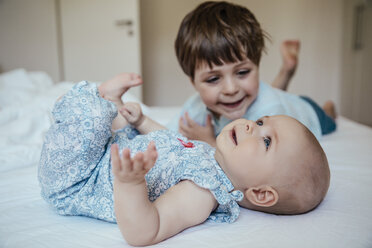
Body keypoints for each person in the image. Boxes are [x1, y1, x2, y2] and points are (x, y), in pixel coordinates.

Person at [38, 73, 330, 246]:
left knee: (88, 119)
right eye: (262, 121)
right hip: (110, 153)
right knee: (118, 121)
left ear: (262, 193)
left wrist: (130, 183)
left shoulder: (202, 193)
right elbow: (171, 140)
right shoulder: (210, 155)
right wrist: (142, 121)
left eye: (266, 141)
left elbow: (145, 231)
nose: (252, 126)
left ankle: (101, 100)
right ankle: (111, 105)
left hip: (78, 180)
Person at [167, 1, 336, 147]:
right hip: (275, 99)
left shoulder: (269, 111)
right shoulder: (195, 108)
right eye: (213, 79)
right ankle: (286, 71)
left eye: (242, 72)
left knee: (328, 120)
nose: (231, 89)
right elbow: (164, 135)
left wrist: (210, 143)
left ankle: (327, 108)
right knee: (262, 94)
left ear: (257, 65)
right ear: (193, 82)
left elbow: (258, 166)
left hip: (306, 110)